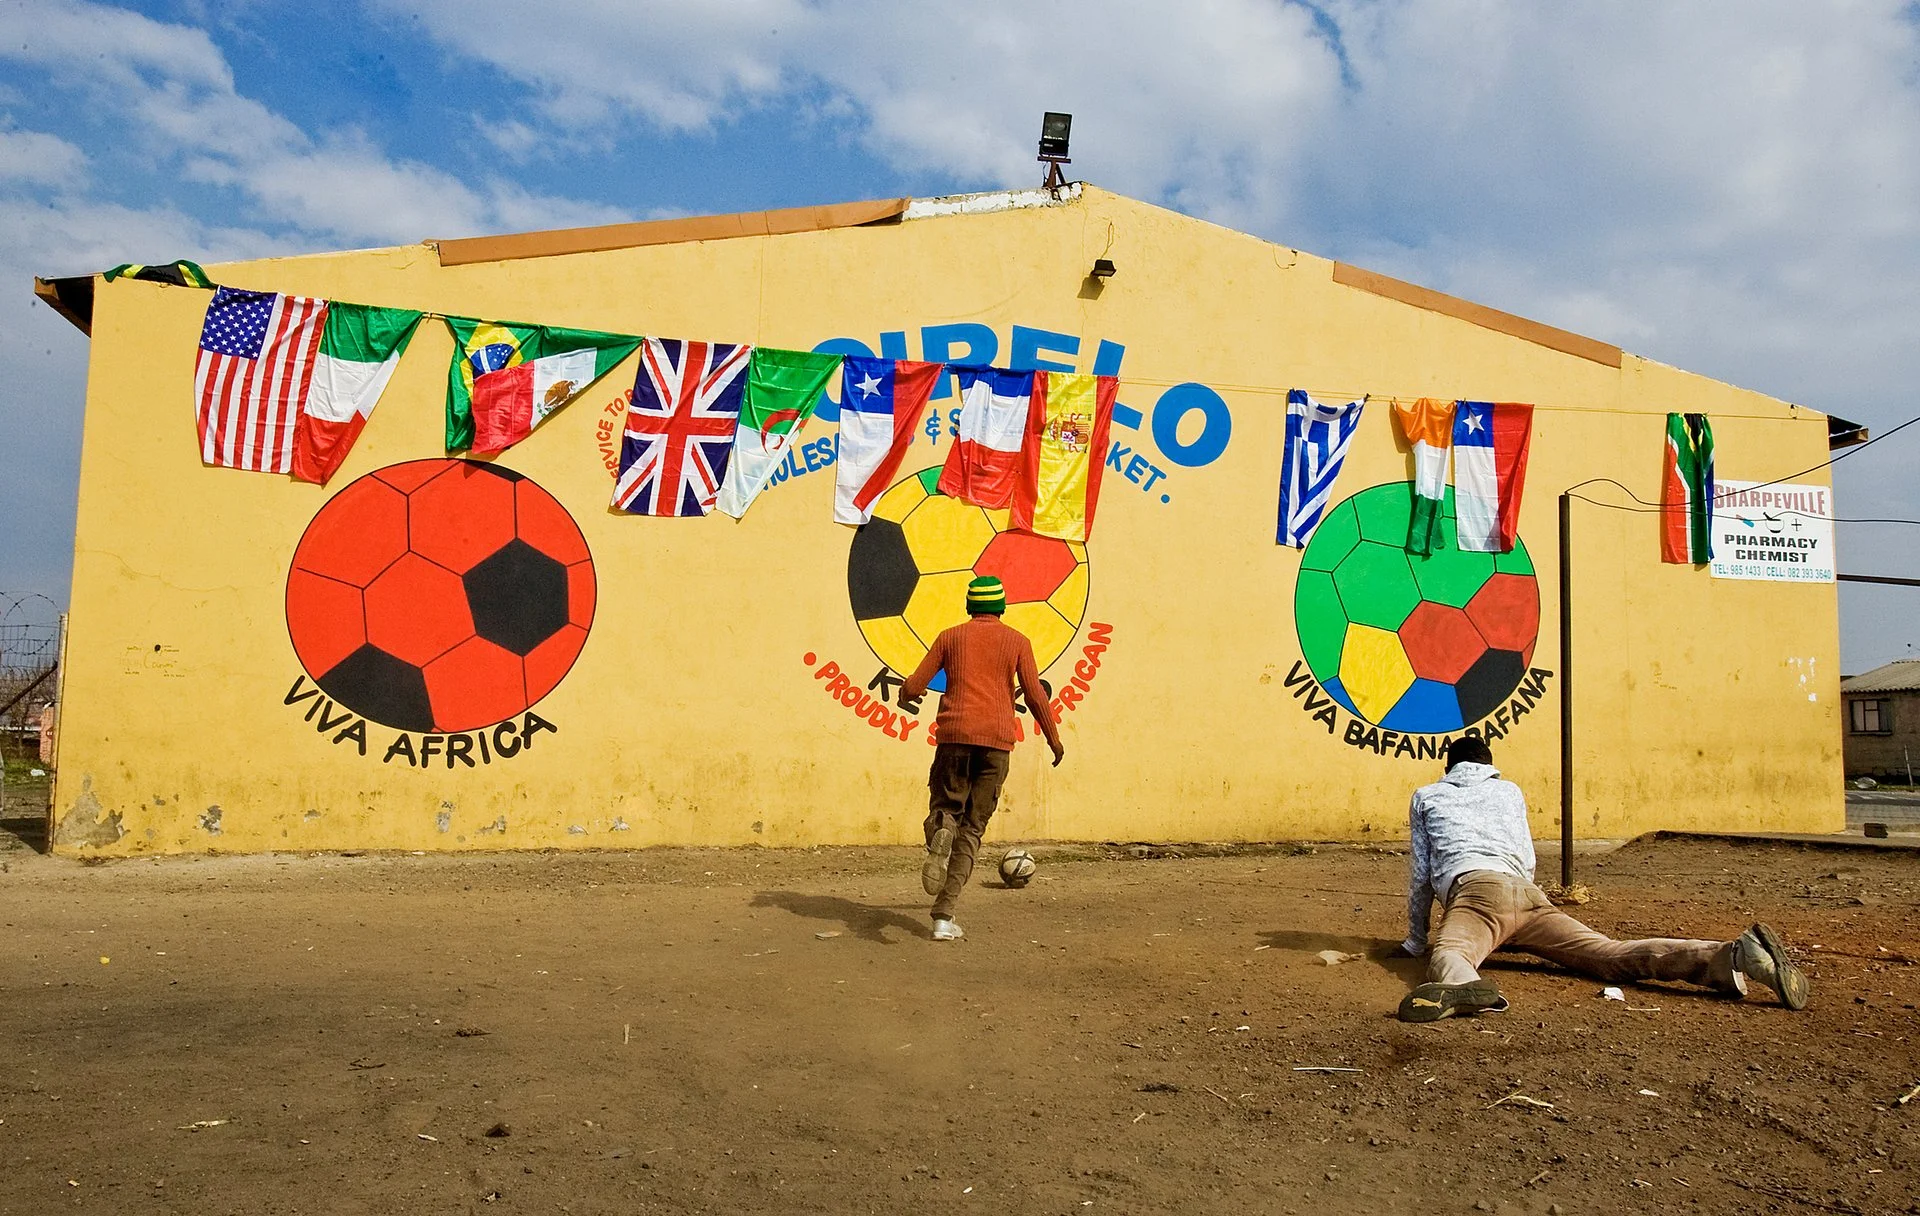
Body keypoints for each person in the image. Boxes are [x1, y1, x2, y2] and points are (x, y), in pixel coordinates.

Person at [1397, 735, 1810, 1022]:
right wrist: (1519, 910)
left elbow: (1421, 875)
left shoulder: (1428, 795)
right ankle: (1734, 956)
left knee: (1449, 955)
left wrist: (1416, 940)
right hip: (1527, 894)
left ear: (1447, 768)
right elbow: (1525, 855)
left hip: (1475, 891)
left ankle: (1466, 986)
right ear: (1490, 768)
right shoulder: (1509, 791)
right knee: (1609, 954)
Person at [901, 575, 1065, 942]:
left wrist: (905, 694)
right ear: (1002, 607)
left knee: (947, 808)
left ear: (969, 606)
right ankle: (943, 918)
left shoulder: (950, 637)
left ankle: (942, 827)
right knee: (973, 829)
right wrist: (1053, 739)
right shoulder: (1017, 641)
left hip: (954, 739)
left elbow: (916, 683)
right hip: (996, 744)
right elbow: (1035, 694)